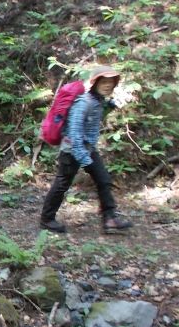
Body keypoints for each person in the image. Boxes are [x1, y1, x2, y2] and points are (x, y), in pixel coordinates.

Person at [39, 65, 133, 234]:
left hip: (87, 148)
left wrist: (108, 108)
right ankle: (46, 219)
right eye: (104, 82)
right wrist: (83, 157)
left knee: (103, 180)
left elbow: (92, 123)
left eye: (111, 82)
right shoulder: (83, 102)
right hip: (72, 150)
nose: (108, 85)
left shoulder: (98, 101)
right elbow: (74, 131)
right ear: (95, 83)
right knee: (62, 184)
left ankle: (110, 219)